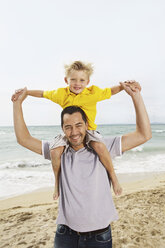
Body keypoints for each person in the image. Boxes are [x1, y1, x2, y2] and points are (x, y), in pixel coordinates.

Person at [12, 81, 151, 248]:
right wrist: (17, 104)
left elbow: (144, 134)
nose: (74, 132)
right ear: (63, 129)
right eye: (68, 127)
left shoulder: (103, 147)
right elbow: (23, 139)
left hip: (98, 236)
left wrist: (136, 96)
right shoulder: (59, 151)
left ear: (87, 125)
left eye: (78, 125)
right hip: (65, 233)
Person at [12, 61, 141, 200]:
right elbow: (43, 94)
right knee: (55, 151)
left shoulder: (93, 93)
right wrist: (26, 93)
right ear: (66, 80)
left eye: (81, 80)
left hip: (90, 131)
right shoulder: (61, 94)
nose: (77, 83)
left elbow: (111, 91)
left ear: (88, 82)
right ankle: (57, 183)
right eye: (73, 79)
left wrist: (125, 86)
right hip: (70, 133)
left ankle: (114, 178)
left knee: (99, 146)